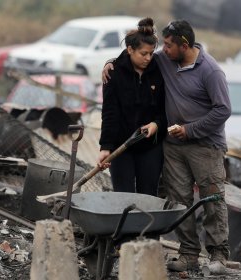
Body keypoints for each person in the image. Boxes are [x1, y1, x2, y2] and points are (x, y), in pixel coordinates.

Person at [102, 20, 232, 273]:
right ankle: (188, 254)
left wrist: (190, 130)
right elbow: (135, 51)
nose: (163, 50)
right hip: (173, 145)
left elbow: (223, 110)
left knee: (211, 198)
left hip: (205, 145)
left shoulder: (211, 71)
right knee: (178, 200)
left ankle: (218, 255)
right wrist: (111, 63)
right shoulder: (164, 60)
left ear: (184, 45)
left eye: (169, 45)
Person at [98, 17, 166, 197]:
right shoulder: (113, 72)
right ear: (130, 50)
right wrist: (105, 146)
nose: (148, 58)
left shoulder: (159, 71)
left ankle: (147, 226)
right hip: (122, 146)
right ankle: (125, 226)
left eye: (151, 53)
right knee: (123, 196)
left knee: (148, 195)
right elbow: (110, 113)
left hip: (150, 146)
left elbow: (165, 109)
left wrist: (157, 124)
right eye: (143, 54)